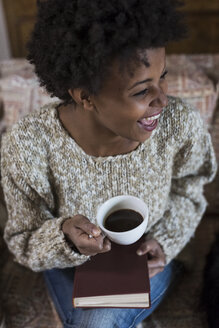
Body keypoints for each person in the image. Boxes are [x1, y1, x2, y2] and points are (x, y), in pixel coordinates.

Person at [1, 0, 217, 327]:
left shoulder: (178, 124)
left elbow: (190, 189)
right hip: (67, 263)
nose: (162, 100)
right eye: (142, 90)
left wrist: (165, 242)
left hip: (152, 255)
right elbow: (23, 238)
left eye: (164, 77)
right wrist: (64, 237)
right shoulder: (29, 144)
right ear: (85, 96)